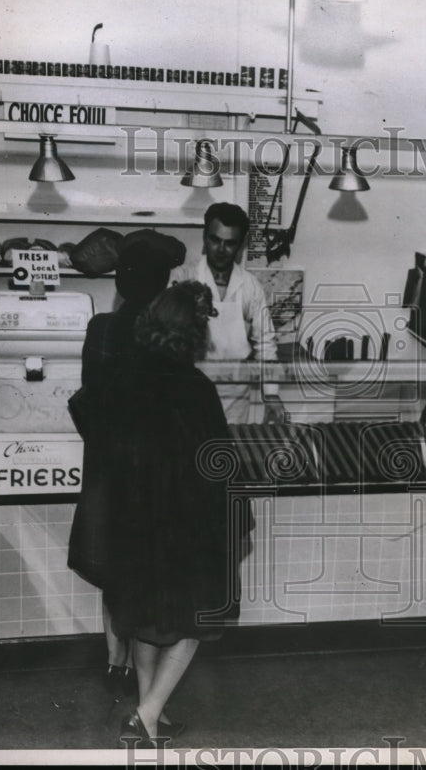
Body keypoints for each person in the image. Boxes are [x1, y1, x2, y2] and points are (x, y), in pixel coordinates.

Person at [70, 281, 247, 745]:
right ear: (192, 334)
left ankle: (153, 714)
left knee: (144, 620)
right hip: (179, 524)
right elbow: (217, 462)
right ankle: (145, 715)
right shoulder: (194, 387)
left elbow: (82, 409)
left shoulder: (119, 372)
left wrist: (122, 462)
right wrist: (236, 513)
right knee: (195, 621)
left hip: (130, 520)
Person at [69, 242, 170, 699]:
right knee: (145, 569)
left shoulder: (101, 328)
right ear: (163, 285)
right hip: (149, 470)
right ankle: (144, 673)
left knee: (111, 567)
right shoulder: (165, 333)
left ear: (120, 283)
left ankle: (116, 660)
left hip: (108, 466)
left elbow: (88, 397)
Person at [169, 202, 284, 424]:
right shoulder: (183, 277)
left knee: (227, 454)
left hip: (235, 395)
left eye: (230, 243)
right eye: (215, 240)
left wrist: (271, 395)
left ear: (241, 246)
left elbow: (266, 345)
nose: (221, 250)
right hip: (190, 391)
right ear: (205, 238)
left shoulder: (251, 286)